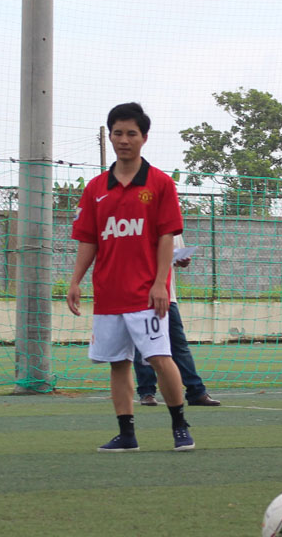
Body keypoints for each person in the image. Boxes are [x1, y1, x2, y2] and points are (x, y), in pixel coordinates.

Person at [67, 102, 195, 452]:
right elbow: (89, 240)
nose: (124, 140)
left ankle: (180, 426)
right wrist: (75, 281)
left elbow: (167, 237)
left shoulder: (161, 183)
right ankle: (127, 434)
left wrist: (160, 283)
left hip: (146, 293)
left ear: (144, 138)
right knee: (118, 363)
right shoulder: (95, 188)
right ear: (110, 136)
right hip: (108, 293)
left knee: (160, 358)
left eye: (131, 133)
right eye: (118, 133)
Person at [133, 233, 221, 407]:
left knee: (179, 345)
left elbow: (175, 257)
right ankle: (147, 392)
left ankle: (196, 392)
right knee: (143, 346)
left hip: (167, 296)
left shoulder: (173, 230)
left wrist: (182, 260)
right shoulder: (137, 225)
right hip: (140, 295)